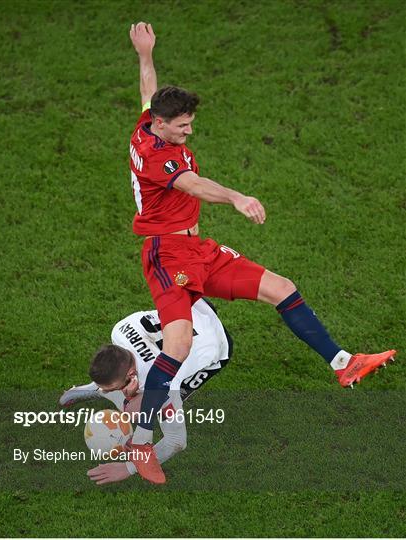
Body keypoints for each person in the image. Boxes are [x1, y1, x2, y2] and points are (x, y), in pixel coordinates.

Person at [128, 21, 396, 484]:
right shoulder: (158, 156)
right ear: (161, 126)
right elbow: (193, 184)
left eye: (190, 123)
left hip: (198, 248)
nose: (190, 131)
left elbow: (149, 93)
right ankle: (139, 442)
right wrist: (235, 197)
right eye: (183, 125)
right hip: (168, 255)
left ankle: (344, 364)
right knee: (178, 344)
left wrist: (145, 55)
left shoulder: (149, 123)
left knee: (281, 288)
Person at [59, 298, 233, 484]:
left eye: (114, 388)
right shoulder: (121, 330)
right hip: (192, 305)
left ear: (132, 375)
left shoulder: (165, 381)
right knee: (135, 405)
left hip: (217, 341)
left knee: (155, 408)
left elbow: (176, 441)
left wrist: (129, 468)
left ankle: (107, 394)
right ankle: (96, 390)